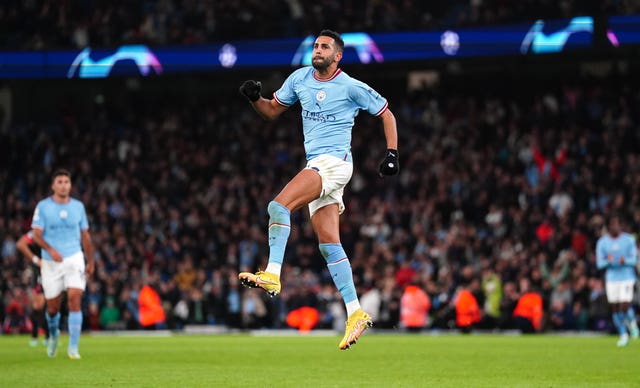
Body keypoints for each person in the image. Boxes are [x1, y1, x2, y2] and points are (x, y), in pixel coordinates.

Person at [237, 29, 399, 349]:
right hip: (321, 164)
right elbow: (271, 110)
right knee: (329, 245)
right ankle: (355, 312)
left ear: (337, 55)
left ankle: (272, 273)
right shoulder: (300, 79)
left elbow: (386, 113)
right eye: (315, 45)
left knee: (278, 206)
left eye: (325, 47)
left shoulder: (351, 86)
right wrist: (255, 98)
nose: (318, 50)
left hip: (333, 163)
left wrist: (392, 153)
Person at [30, 169, 94, 359]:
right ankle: (54, 335)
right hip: (51, 262)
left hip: (74, 257)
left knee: (75, 299)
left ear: (70, 185)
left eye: (66, 181)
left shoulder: (78, 207)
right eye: (60, 181)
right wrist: (50, 250)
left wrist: (90, 261)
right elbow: (36, 235)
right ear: (53, 185)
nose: (63, 185)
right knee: (52, 308)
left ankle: (73, 348)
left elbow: (85, 235)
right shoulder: (43, 207)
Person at [595, 214, 638, 347]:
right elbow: (599, 263)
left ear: (621, 225)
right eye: (611, 224)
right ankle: (623, 334)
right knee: (615, 307)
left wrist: (624, 260)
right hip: (612, 278)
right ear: (608, 227)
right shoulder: (602, 242)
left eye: (616, 224)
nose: (614, 227)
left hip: (626, 277)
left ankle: (632, 324)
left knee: (624, 305)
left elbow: (634, 260)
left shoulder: (629, 240)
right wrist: (608, 261)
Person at [15, 231, 49, 347]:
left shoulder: (54, 231)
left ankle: (49, 336)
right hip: (39, 274)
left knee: (50, 307)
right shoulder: (36, 232)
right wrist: (35, 260)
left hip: (52, 271)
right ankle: (36, 336)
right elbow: (20, 244)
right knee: (38, 306)